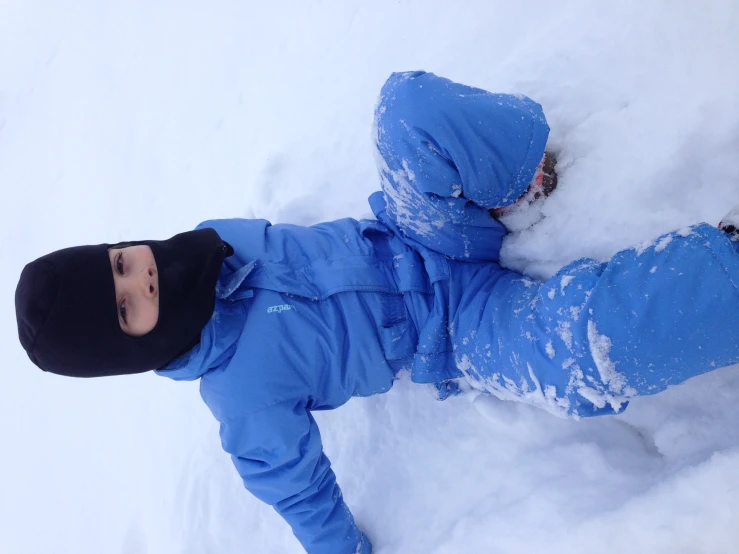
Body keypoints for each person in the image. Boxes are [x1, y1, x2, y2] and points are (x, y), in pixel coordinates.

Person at [14, 71, 739, 554]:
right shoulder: (241, 399)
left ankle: (520, 174)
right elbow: (297, 489)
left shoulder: (211, 245)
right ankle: (725, 276)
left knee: (407, 107)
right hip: (459, 328)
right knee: (576, 353)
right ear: (132, 351)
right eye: (127, 307)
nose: (142, 277)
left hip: (418, 232)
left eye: (118, 262)